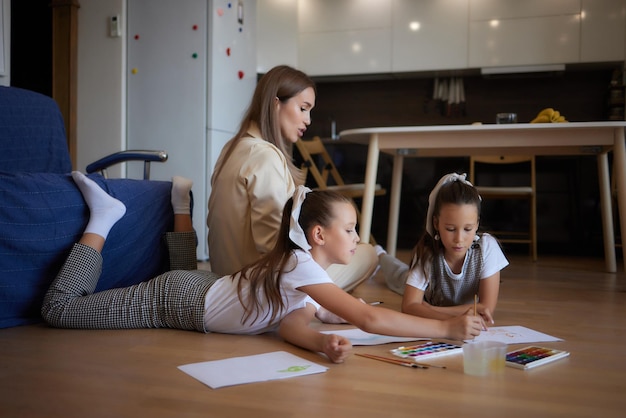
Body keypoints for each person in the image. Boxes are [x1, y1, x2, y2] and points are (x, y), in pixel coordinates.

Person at [42, 173, 484, 364]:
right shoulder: (300, 266)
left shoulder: (306, 272)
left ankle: (181, 204)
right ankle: (103, 217)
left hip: (200, 288)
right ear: (318, 236)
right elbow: (368, 318)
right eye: (349, 229)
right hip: (177, 302)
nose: (357, 238)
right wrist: (445, 332)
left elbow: (291, 323)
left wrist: (319, 342)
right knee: (60, 310)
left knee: (176, 270)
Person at [207, 65, 377, 292]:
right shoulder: (264, 155)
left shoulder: (233, 148)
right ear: (276, 103)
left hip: (225, 277)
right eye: (303, 108)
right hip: (257, 288)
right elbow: (273, 245)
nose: (308, 120)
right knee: (367, 253)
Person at [378, 173, 509, 325]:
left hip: (431, 307)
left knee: (403, 274)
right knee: (398, 274)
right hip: (425, 290)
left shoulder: (486, 247)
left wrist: (430, 310)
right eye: (450, 229)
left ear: (477, 224)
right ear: (436, 223)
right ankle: (380, 255)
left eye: (467, 229)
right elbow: (408, 306)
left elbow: (485, 308)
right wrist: (458, 319)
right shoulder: (427, 254)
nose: (459, 239)